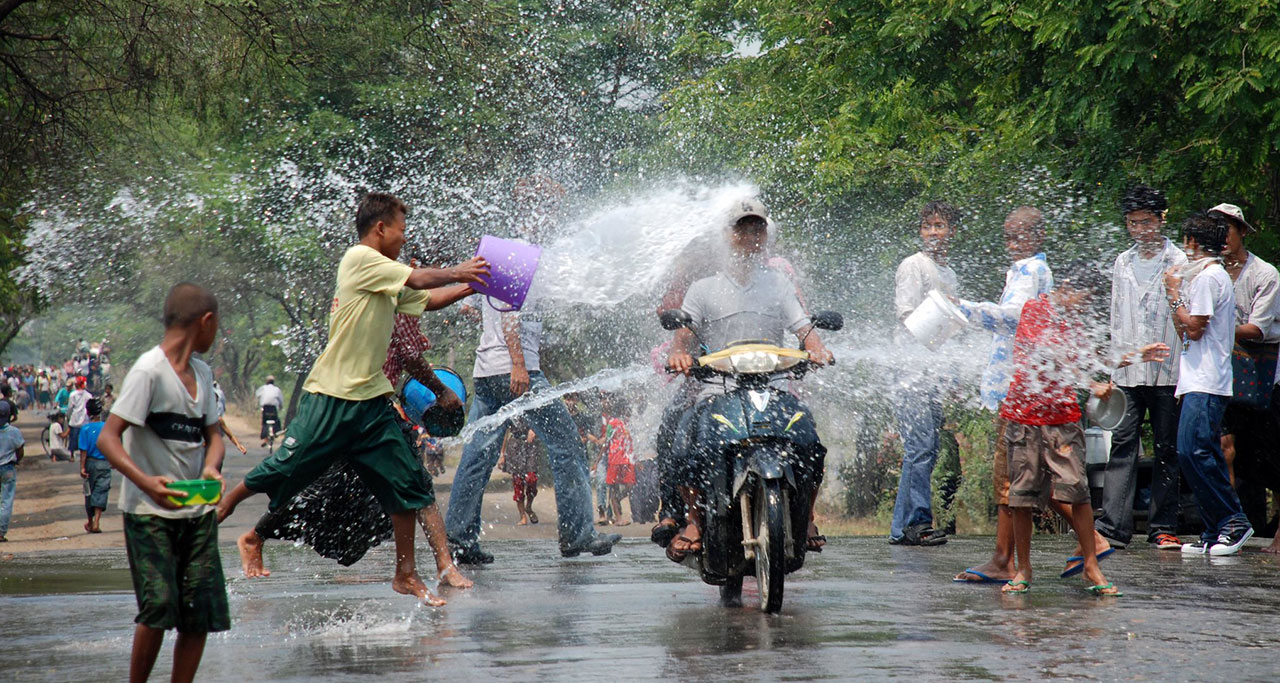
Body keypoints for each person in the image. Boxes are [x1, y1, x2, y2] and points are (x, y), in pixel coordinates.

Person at [216, 192, 488, 603]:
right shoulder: (359, 260)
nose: (404, 238)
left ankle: (406, 574)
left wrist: (469, 286)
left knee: (410, 484)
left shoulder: (385, 276)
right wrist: (459, 269)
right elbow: (417, 280)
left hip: (372, 402)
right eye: (401, 229)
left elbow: (426, 300)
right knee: (286, 467)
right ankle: (225, 508)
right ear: (380, 229)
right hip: (333, 395)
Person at [234, 285, 473, 590]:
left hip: (375, 409)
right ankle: (254, 536)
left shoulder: (387, 292)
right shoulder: (395, 292)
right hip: (350, 407)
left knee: (417, 485)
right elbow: (411, 356)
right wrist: (442, 391)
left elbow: (408, 347)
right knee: (319, 486)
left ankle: (442, 566)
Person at [445, 184, 622, 565]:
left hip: (486, 371)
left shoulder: (498, 254)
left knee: (477, 454)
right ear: (534, 213)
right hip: (516, 371)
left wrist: (491, 324)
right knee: (566, 445)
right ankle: (578, 534)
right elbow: (510, 313)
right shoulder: (521, 255)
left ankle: (459, 541)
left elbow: (470, 307)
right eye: (547, 209)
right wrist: (520, 363)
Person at [664, 198, 834, 561]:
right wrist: (679, 353)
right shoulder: (704, 287)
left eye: (757, 228)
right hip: (716, 387)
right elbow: (684, 332)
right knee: (685, 439)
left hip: (772, 386)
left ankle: (806, 518)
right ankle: (693, 519)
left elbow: (804, 329)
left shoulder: (778, 284)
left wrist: (817, 348)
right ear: (727, 236)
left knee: (808, 440)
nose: (750, 235)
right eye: (742, 228)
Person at [952, 207, 1111, 583]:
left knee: (1019, 480)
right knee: (1022, 479)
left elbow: (1012, 318)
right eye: (1007, 236)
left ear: (1037, 236)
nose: (1011, 244)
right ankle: (1007, 558)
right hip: (1020, 390)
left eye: (1018, 236)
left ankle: (1020, 558)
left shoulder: (1032, 271)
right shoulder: (1024, 272)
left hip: (1024, 394)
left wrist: (963, 308)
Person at [998, 262, 1168, 596]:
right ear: (1067, 287)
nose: (1084, 306)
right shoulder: (1035, 309)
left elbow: (1087, 357)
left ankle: (1091, 566)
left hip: (1063, 419)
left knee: (1077, 491)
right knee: (1022, 496)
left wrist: (1135, 356)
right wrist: (1091, 384)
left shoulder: (1074, 322)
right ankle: (1023, 569)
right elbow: (1047, 356)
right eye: (1083, 298)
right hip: (1025, 418)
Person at [94, 283, 228, 682]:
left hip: (196, 509)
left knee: (199, 611)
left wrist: (212, 467)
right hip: (149, 511)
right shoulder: (148, 371)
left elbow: (214, 436)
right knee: (159, 606)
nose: (216, 334)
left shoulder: (201, 374)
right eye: (216, 326)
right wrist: (147, 482)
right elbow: (108, 437)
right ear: (205, 322)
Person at [1095, 186, 1187, 550]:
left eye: (1146, 222)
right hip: (1128, 371)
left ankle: (1162, 526)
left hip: (1169, 370)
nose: (1139, 230)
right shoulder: (1122, 262)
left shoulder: (1180, 261)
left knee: (1167, 448)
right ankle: (1112, 526)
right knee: (1122, 445)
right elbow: (1116, 319)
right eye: (1132, 223)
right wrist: (1111, 367)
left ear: (1162, 219)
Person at [1164, 213, 1254, 556]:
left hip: (1207, 381)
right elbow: (1183, 329)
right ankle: (1213, 528)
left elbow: (1196, 328)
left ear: (1193, 243)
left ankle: (1234, 521)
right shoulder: (1203, 277)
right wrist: (1175, 298)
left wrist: (1173, 294)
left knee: (1196, 452)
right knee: (1192, 453)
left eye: (1187, 242)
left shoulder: (1208, 277)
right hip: (1196, 378)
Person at [888, 200, 961, 546]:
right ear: (920, 231)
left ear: (952, 232)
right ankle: (918, 523)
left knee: (927, 451)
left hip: (932, 372)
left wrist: (947, 371)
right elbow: (906, 317)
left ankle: (900, 528)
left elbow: (951, 327)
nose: (933, 232)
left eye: (940, 226)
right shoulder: (913, 266)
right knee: (920, 447)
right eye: (928, 226)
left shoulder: (950, 274)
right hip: (909, 370)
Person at [1209, 203, 1280, 532]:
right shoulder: (1210, 271)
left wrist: (1212, 327)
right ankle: (1230, 523)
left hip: (1261, 369)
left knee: (1268, 451)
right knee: (1225, 448)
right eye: (1216, 231)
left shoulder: (1264, 274)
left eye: (1228, 230)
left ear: (1242, 233)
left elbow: (1258, 329)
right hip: (1222, 368)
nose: (1222, 238)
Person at [600, 396, 636, 527]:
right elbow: (606, 442)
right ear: (622, 409)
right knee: (614, 489)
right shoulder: (612, 423)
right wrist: (598, 460)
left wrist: (636, 459)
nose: (629, 411)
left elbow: (631, 442)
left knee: (630, 486)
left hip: (627, 460)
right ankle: (618, 518)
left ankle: (615, 503)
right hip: (615, 460)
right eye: (627, 409)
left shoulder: (628, 423)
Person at [498, 417, 540, 526]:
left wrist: (535, 429)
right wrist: (502, 455)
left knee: (532, 479)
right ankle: (522, 516)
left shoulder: (532, 404)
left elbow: (543, 423)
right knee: (518, 483)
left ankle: (529, 507)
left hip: (530, 447)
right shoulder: (512, 407)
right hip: (515, 447)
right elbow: (505, 434)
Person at [78, 398, 110, 533]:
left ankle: (90, 522)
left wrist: (82, 467)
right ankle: (96, 521)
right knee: (101, 491)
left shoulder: (85, 429)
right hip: (104, 463)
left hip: (90, 463)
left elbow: (83, 451)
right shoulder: (106, 428)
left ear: (87, 412)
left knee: (89, 492)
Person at [0, 402, 24, 542]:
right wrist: (17, 460)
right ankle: (1, 532)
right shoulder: (14, 432)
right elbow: (20, 450)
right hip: (8, 468)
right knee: (6, 500)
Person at [211, 381, 247, 455]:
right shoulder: (200, 418)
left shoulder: (219, 420)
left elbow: (230, 435)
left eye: (215, 403)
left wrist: (238, 445)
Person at [254, 376, 285, 447]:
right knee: (276, 421)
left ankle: (265, 438)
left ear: (266, 381)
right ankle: (276, 433)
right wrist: (280, 407)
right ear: (273, 382)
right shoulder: (277, 389)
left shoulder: (263, 388)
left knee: (265, 422)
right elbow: (281, 400)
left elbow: (257, 395)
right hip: (273, 409)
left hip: (265, 408)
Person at [66, 377, 92, 457]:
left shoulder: (72, 395)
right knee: (85, 439)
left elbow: (70, 408)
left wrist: (68, 416)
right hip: (85, 419)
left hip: (75, 419)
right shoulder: (88, 395)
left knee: (73, 438)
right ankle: (85, 454)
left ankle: (72, 455)